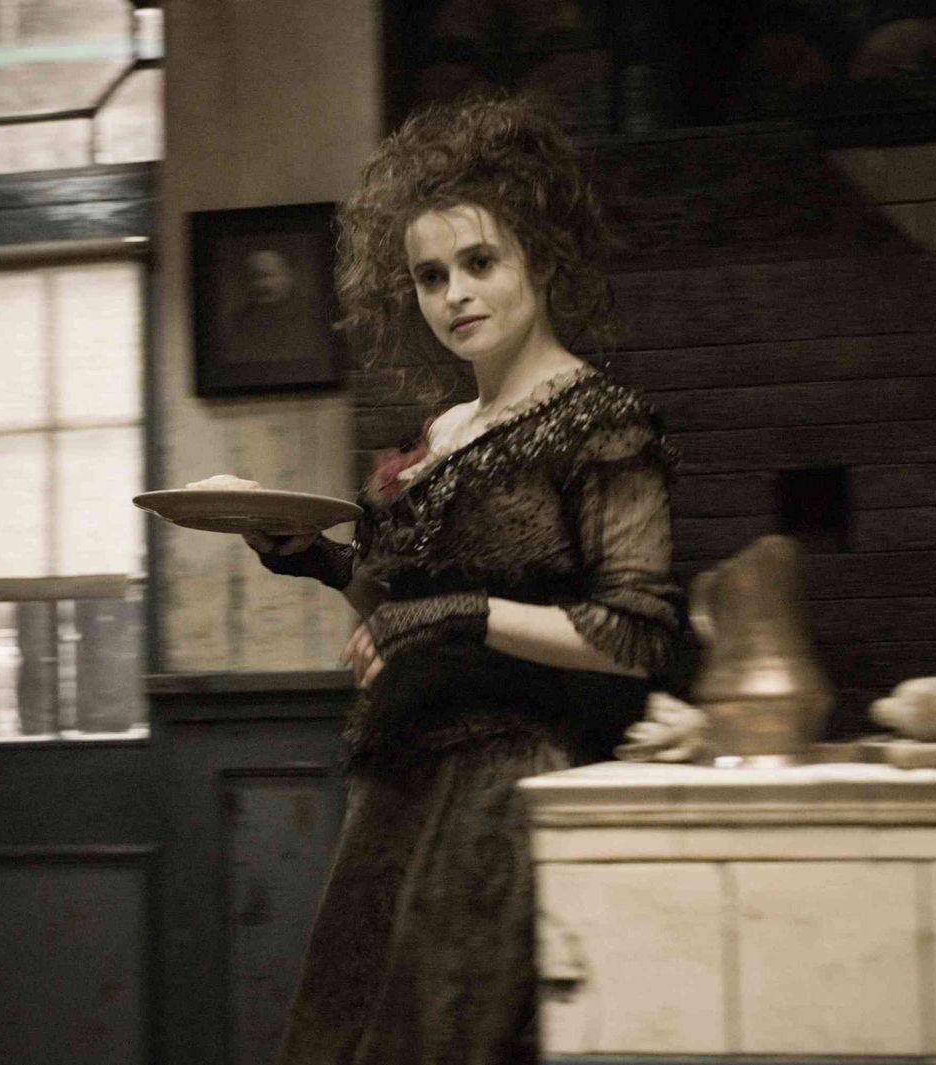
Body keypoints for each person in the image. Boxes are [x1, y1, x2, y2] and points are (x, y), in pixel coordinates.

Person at [243, 94, 694, 1063]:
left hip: (508, 792)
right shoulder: (443, 433)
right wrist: (320, 560)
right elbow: (403, 615)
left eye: (480, 262)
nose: (455, 294)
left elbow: (634, 633)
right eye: (430, 275)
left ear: (540, 257)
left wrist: (458, 614)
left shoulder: (600, 421)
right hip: (397, 789)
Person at [226, 247, 336, 367]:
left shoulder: (311, 317)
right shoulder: (238, 323)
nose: (262, 284)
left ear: (287, 277)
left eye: (269, 275)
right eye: (255, 277)